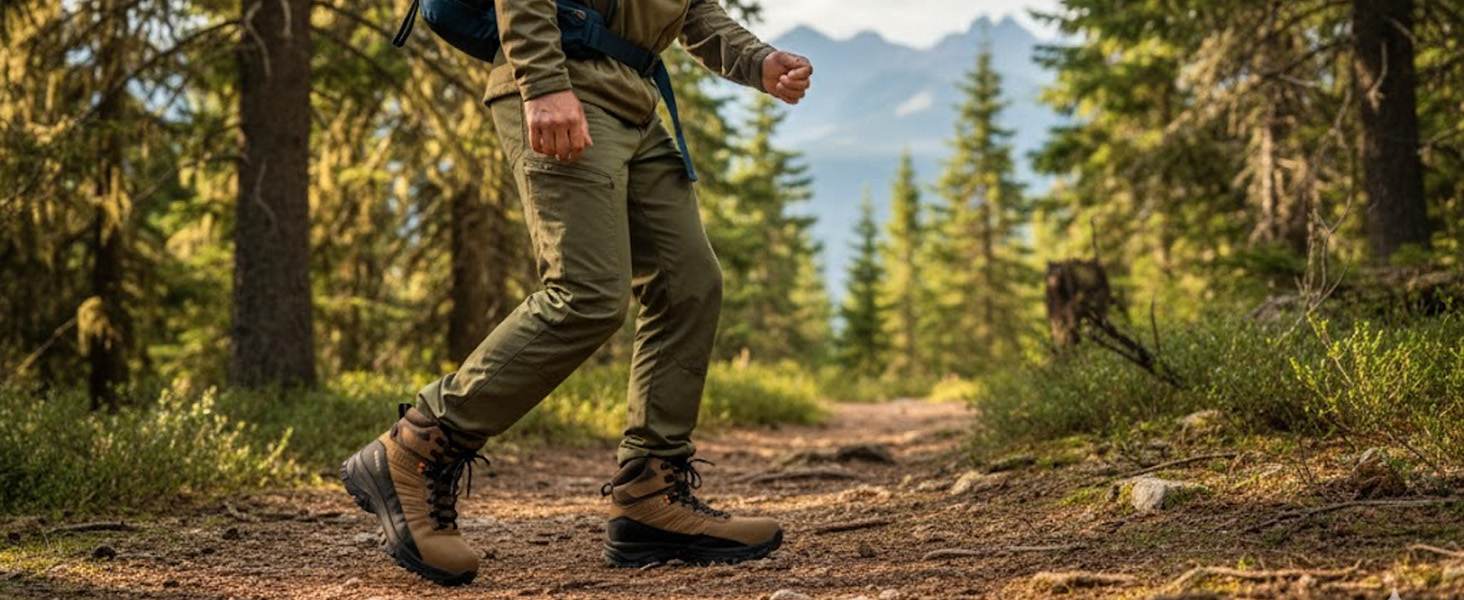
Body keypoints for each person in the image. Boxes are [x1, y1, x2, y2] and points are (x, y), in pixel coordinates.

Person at [339, 0, 813, 586]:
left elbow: (693, 12)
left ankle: (650, 493)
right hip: (563, 80)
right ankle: (417, 446)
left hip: (632, 98)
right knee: (585, 294)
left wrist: (760, 61)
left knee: (688, 283)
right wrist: (541, 82)